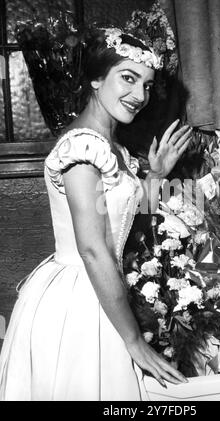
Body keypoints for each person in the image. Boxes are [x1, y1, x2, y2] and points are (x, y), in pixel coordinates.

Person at [0, 27, 192, 401]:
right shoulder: (82, 146)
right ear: (95, 78)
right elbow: (91, 249)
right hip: (81, 296)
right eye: (128, 78)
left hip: (102, 285)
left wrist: (154, 176)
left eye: (148, 85)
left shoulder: (110, 146)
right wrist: (134, 340)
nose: (139, 95)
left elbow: (125, 222)